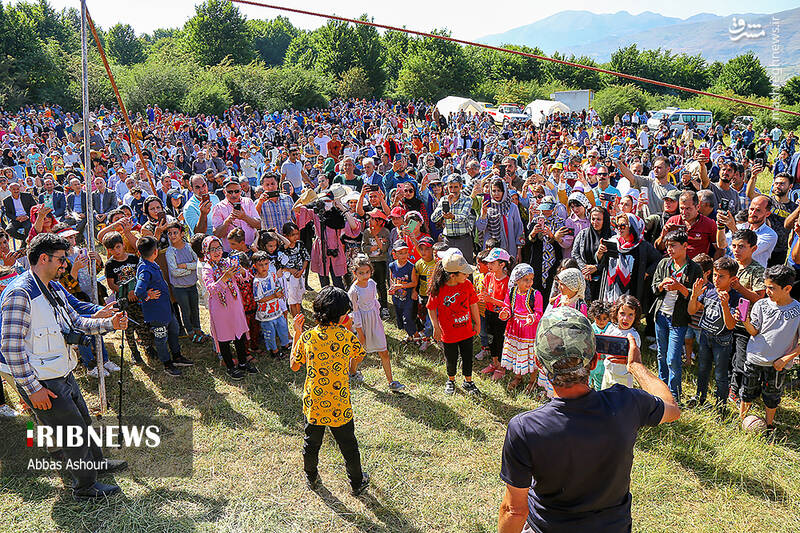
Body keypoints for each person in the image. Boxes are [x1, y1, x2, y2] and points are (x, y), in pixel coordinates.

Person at [497, 306, 680, 533]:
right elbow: (671, 407)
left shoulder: (524, 428)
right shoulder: (626, 403)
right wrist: (636, 366)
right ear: (594, 362)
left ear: (539, 364)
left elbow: (514, 510)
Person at [0, 233, 129, 499]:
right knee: (72, 434)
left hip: (62, 372)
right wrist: (33, 389)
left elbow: (78, 323)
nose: (66, 264)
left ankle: (97, 464)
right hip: (43, 381)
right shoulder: (18, 294)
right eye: (61, 259)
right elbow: (11, 349)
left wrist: (110, 325)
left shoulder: (54, 287)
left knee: (82, 422)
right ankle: (84, 487)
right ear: (43, 258)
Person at [290, 286, 371, 496]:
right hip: (339, 402)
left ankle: (311, 476)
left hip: (314, 402)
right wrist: (352, 369)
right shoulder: (346, 337)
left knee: (312, 442)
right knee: (349, 445)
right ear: (343, 316)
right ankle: (356, 482)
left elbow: (294, 365)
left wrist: (297, 333)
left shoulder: (308, 338)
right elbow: (360, 354)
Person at [738, 265, 800, 431]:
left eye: (771, 288)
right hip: (754, 359)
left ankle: (770, 425)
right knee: (747, 392)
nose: (767, 291)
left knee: (772, 396)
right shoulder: (761, 305)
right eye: (765, 287)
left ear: (787, 288)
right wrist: (745, 321)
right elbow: (754, 331)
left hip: (777, 365)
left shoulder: (798, 311)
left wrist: (786, 359)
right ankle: (742, 421)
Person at [651, 230, 703, 403]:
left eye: (673, 246)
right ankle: (661, 390)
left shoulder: (694, 268)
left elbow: (697, 295)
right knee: (661, 354)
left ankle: (674, 395)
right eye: (667, 246)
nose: (669, 249)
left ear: (685, 246)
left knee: (673, 358)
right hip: (661, 316)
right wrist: (661, 285)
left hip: (678, 319)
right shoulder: (664, 263)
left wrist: (679, 287)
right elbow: (653, 287)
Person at [687, 256, 740, 412]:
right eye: (715, 275)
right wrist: (694, 295)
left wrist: (725, 305)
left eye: (721, 276)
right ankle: (700, 398)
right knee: (702, 369)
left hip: (722, 340)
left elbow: (730, 325)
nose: (716, 279)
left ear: (732, 279)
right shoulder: (709, 290)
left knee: (720, 374)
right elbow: (691, 310)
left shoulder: (735, 298)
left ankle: (720, 407)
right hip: (705, 336)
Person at [134, 236, 193, 376]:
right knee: (161, 339)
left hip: (166, 309)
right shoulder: (145, 269)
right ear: (155, 252)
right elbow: (138, 290)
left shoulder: (150, 263)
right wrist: (147, 295)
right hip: (156, 313)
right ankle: (167, 363)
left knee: (174, 330)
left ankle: (177, 356)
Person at [202, 235, 257, 379]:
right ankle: (230, 367)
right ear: (206, 251)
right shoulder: (207, 268)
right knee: (224, 338)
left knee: (239, 335)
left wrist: (241, 271)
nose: (217, 252)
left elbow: (245, 278)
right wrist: (224, 278)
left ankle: (243, 363)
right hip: (220, 308)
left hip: (235, 305)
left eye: (219, 248)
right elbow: (211, 289)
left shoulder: (227, 262)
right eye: (212, 249)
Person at [427, 251, 481, 396]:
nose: (467, 275)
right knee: (451, 358)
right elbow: (431, 308)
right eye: (464, 273)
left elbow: (473, 304)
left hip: (466, 331)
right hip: (449, 334)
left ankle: (468, 381)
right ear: (452, 275)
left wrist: (477, 323)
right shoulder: (438, 288)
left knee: (468, 356)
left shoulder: (467, 285)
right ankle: (451, 380)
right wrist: (436, 327)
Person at [347, 254, 405, 392]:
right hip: (362, 324)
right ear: (354, 273)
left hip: (375, 321)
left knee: (383, 351)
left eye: (367, 272)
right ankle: (352, 372)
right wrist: (360, 332)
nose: (365, 275)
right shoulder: (353, 291)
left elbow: (374, 302)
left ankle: (391, 381)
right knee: (360, 353)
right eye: (361, 273)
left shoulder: (372, 284)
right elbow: (355, 312)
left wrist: (378, 320)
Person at [499, 263, 544, 394]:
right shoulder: (511, 292)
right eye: (526, 280)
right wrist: (505, 313)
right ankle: (518, 376)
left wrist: (532, 318)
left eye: (531, 279)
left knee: (530, 355)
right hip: (514, 328)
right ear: (517, 280)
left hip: (529, 330)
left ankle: (532, 381)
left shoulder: (536, 295)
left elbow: (539, 312)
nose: (529, 283)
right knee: (518, 353)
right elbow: (507, 306)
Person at [165, 221, 207, 344]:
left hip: (192, 285)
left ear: (182, 233)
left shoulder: (189, 247)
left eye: (175, 233)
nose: (172, 236)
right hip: (179, 287)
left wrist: (185, 266)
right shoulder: (170, 252)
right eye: (170, 233)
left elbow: (197, 263)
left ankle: (197, 329)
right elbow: (174, 272)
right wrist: (190, 270)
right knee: (186, 309)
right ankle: (189, 330)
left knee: (195, 308)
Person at [478, 248, 512, 381]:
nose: (488, 265)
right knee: (491, 338)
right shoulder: (488, 277)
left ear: (502, 264)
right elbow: (485, 292)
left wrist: (490, 300)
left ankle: (501, 367)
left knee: (500, 341)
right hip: (489, 313)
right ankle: (494, 362)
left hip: (501, 317)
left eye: (492, 263)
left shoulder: (508, 282)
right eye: (488, 263)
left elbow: (508, 304)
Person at [252, 251, 291, 360]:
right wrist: (274, 296)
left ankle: (286, 346)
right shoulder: (257, 282)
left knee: (283, 328)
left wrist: (279, 292)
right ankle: (274, 352)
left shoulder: (272, 275)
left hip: (277, 310)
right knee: (270, 333)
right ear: (255, 266)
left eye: (266, 264)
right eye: (261, 265)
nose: (264, 267)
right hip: (266, 315)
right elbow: (259, 300)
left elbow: (277, 286)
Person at [430, 173, 476, 262]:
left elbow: (463, 217)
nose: (453, 190)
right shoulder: (444, 200)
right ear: (447, 187)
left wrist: (453, 216)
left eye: (456, 187)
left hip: (463, 239)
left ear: (461, 187)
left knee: (466, 267)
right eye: (451, 187)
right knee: (449, 269)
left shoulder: (467, 199)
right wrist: (448, 204)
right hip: (448, 240)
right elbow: (433, 218)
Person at [388, 241, 418, 343]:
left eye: (405, 252)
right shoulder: (392, 265)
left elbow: (414, 283)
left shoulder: (410, 267)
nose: (403, 255)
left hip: (407, 299)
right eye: (400, 253)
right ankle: (410, 336)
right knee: (400, 319)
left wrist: (402, 286)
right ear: (394, 254)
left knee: (407, 319)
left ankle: (417, 335)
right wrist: (392, 288)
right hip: (397, 298)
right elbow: (391, 279)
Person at [588, 300, 612, 391]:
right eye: (598, 318)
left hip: (604, 362)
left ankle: (599, 396)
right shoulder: (591, 328)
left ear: (609, 317)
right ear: (593, 316)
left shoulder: (611, 328)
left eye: (605, 318)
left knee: (601, 382)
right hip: (592, 361)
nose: (601, 321)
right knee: (587, 380)